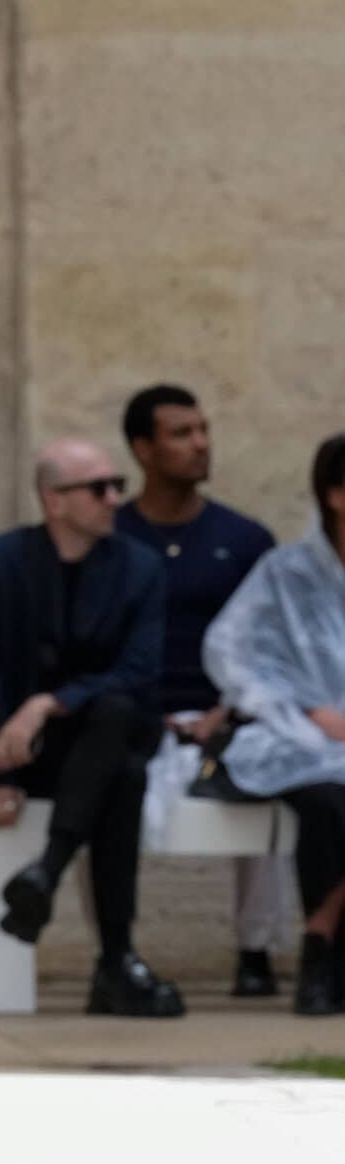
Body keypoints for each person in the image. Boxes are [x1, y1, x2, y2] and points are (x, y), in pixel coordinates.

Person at [0, 437, 185, 1015]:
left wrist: (48, 703)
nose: (114, 499)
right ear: (53, 501)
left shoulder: (139, 568)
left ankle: (48, 872)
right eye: (99, 488)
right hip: (32, 756)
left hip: (111, 730)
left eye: (117, 485)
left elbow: (139, 672)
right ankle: (116, 963)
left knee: (116, 722)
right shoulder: (1, 561)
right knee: (122, 775)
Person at [114, 383, 284, 995]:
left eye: (204, 430)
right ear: (143, 449)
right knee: (99, 785)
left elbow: (271, 647)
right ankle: (117, 949)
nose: (201, 444)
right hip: (133, 717)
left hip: (229, 718)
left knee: (275, 774)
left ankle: (256, 951)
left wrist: (225, 711)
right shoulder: (112, 537)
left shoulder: (246, 540)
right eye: (182, 434)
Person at [202, 434, 345, 1018]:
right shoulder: (285, 573)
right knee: (329, 803)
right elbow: (233, 652)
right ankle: (323, 954)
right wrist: (306, 710)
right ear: (335, 495)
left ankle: (322, 944)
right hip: (297, 738)